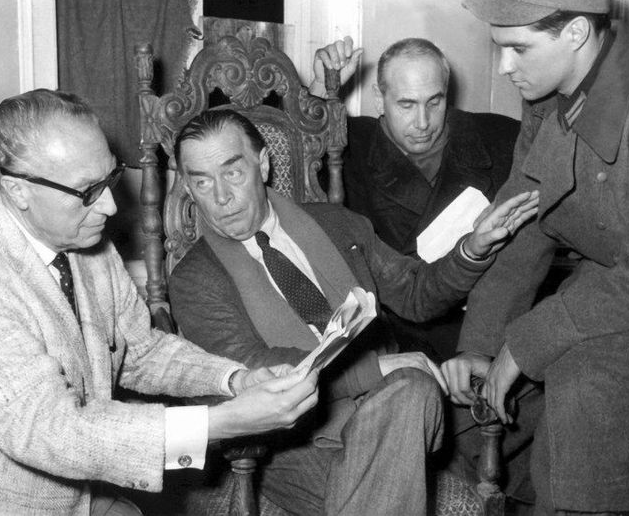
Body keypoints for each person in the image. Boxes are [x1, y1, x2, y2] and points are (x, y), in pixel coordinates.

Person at [0, 89, 320, 516]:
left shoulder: (87, 245)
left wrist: (233, 380)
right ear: (18, 191)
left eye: (109, 178)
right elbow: (51, 430)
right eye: (87, 190)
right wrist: (223, 421)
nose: (109, 205)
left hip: (86, 492)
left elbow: (142, 351)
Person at [168, 108, 539, 515]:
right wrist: (376, 370)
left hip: (397, 406)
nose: (220, 197)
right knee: (411, 390)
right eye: (202, 182)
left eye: (232, 173)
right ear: (187, 185)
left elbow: (416, 292)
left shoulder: (336, 224)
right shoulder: (195, 278)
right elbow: (259, 369)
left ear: (263, 163)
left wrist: (472, 248)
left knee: (466, 391)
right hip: (296, 444)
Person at [441, 0, 629, 514]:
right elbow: (520, 225)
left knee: (586, 375)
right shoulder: (552, 98)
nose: (505, 68)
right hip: (625, 293)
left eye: (518, 48)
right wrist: (485, 343)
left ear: (576, 32)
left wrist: (526, 341)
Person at [310, 37, 520, 360]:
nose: (423, 123)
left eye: (434, 103)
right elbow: (296, 161)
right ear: (379, 100)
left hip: (488, 335)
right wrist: (321, 92)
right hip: (397, 344)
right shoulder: (348, 149)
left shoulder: (501, 141)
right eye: (406, 105)